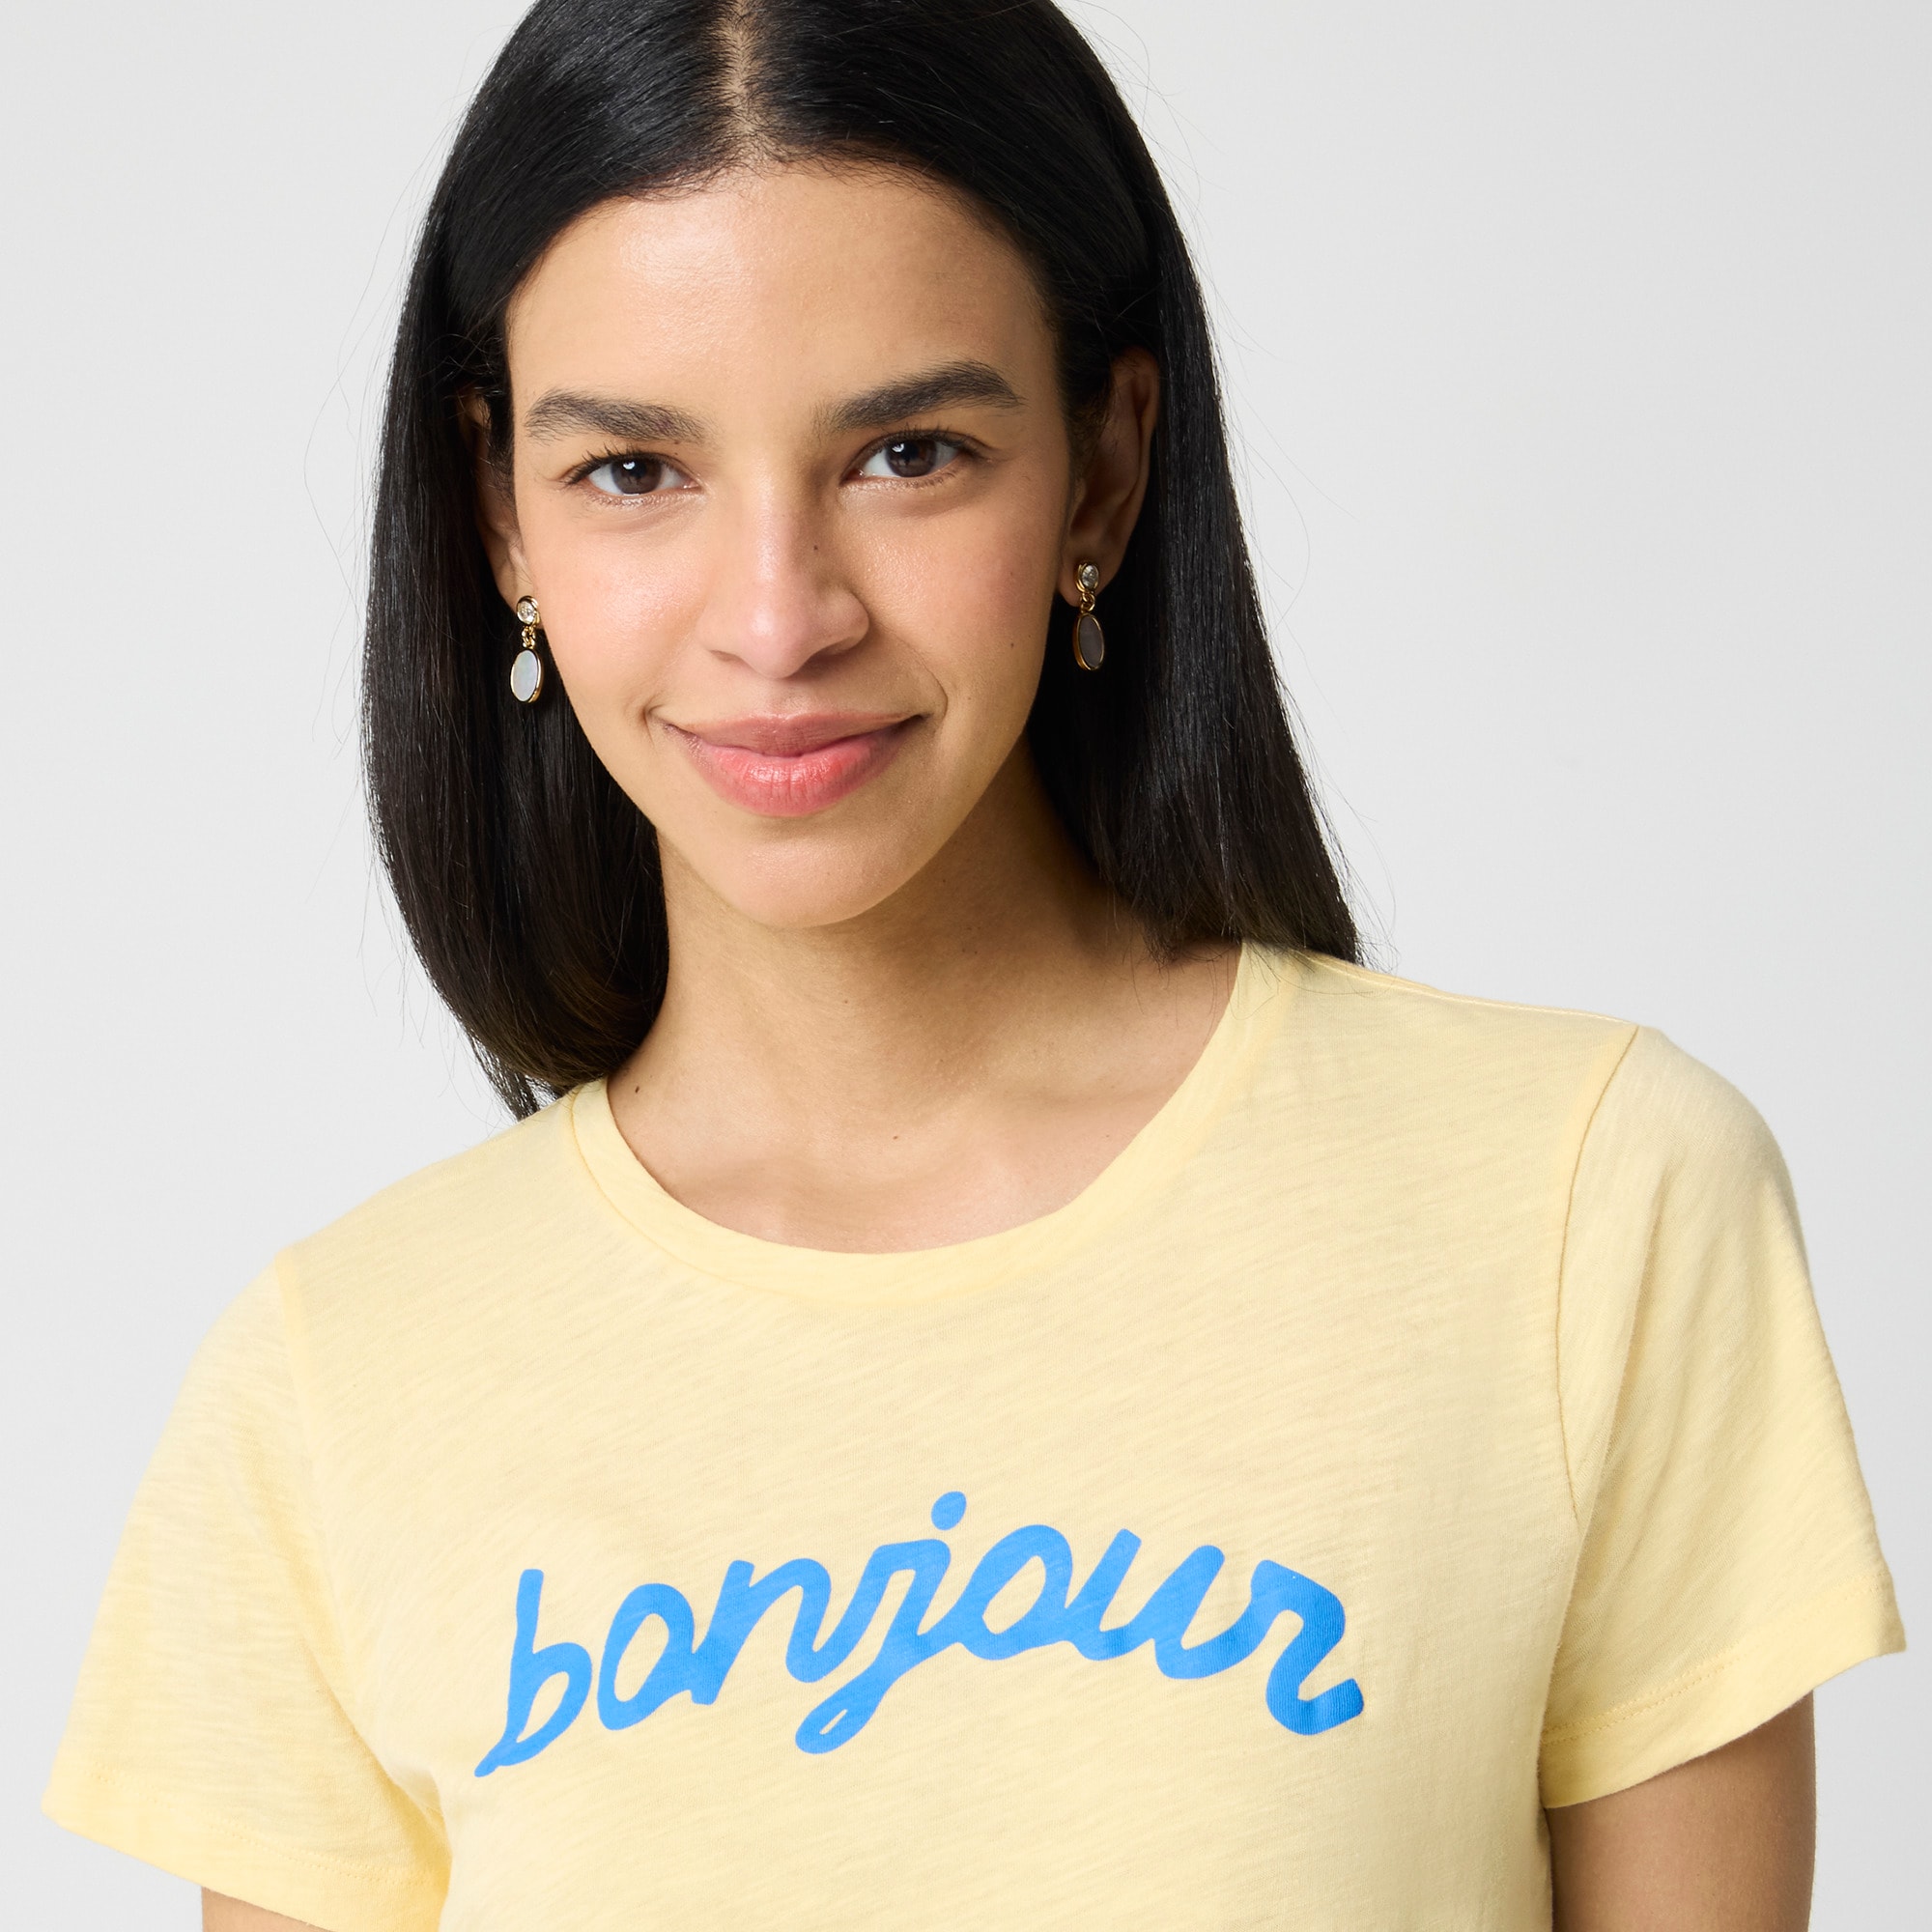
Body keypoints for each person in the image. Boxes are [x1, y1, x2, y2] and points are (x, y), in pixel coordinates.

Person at [44, 1, 1902, 1926]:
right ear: (497, 511)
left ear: (1102, 469)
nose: (781, 619)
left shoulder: (1579, 1206)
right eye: (635, 471)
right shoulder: (338, 1382)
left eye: (907, 453)